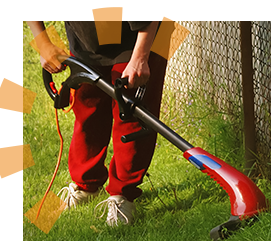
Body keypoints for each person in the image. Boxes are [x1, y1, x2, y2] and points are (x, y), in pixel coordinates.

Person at [27, 20, 167, 226]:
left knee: (131, 115)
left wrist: (140, 57)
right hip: (87, 41)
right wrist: (43, 43)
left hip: (141, 38)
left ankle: (122, 195)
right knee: (87, 109)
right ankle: (86, 184)